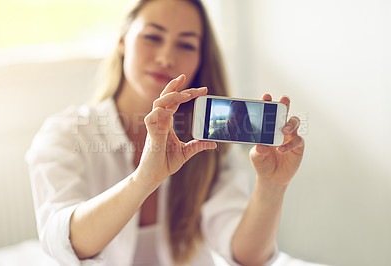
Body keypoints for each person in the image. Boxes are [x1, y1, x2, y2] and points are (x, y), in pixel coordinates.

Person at [25, 0, 305, 265]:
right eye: (152, 37)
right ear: (122, 40)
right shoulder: (65, 134)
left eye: (185, 44)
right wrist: (144, 179)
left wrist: (272, 186)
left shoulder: (209, 142)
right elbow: (64, 242)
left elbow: (246, 256)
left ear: (200, 59)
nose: (166, 57)